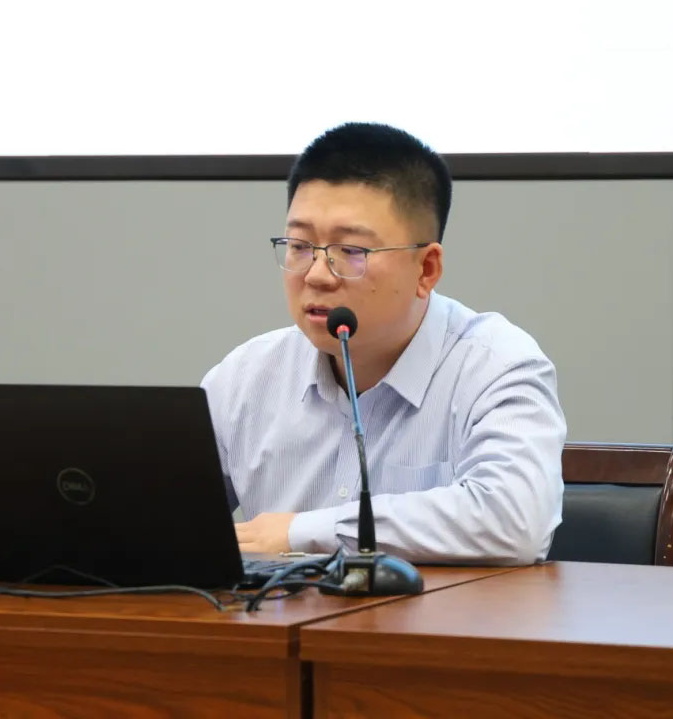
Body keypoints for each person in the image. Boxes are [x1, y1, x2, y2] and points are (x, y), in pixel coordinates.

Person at [202, 122, 566, 565]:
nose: (316, 274)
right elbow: (160, 518)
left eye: (352, 251)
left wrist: (301, 533)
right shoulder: (245, 378)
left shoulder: (496, 366)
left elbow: (515, 521)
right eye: (299, 246)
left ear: (426, 269)